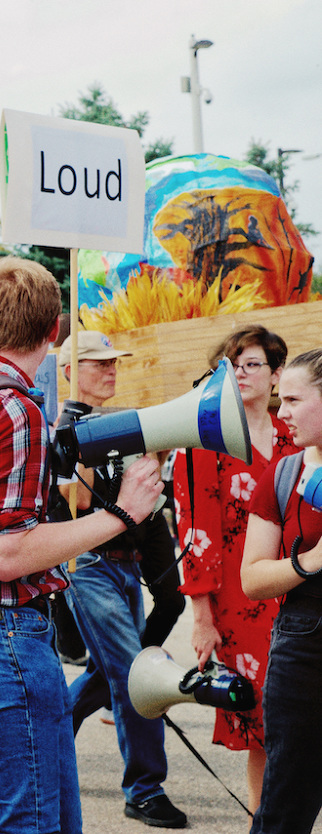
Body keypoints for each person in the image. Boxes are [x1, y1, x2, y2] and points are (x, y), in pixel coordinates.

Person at [0, 257, 161, 834]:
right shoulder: (14, 408)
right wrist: (123, 514)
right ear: (54, 329)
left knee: (47, 818)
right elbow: (9, 553)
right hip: (5, 634)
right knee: (34, 823)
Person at [50, 330, 187, 828]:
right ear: (71, 371)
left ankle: (45, 745)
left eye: (114, 363)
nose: (111, 370)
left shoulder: (120, 425)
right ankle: (145, 790)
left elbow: (145, 508)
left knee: (106, 672)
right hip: (88, 564)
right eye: (99, 363)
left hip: (126, 565)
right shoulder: (62, 429)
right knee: (135, 675)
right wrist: (73, 442)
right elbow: (78, 504)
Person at [175, 325, 296, 814]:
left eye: (252, 364)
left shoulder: (296, 436)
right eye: (231, 366)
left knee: (300, 711)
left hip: (299, 588)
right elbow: (195, 532)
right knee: (266, 714)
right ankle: (263, 819)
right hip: (239, 599)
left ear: (276, 375)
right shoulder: (207, 441)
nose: (241, 374)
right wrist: (201, 618)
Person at [241, 347, 322, 834]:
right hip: (303, 643)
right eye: (280, 399)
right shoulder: (285, 473)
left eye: (293, 400)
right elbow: (252, 578)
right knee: (285, 804)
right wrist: (309, 561)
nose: (282, 412)